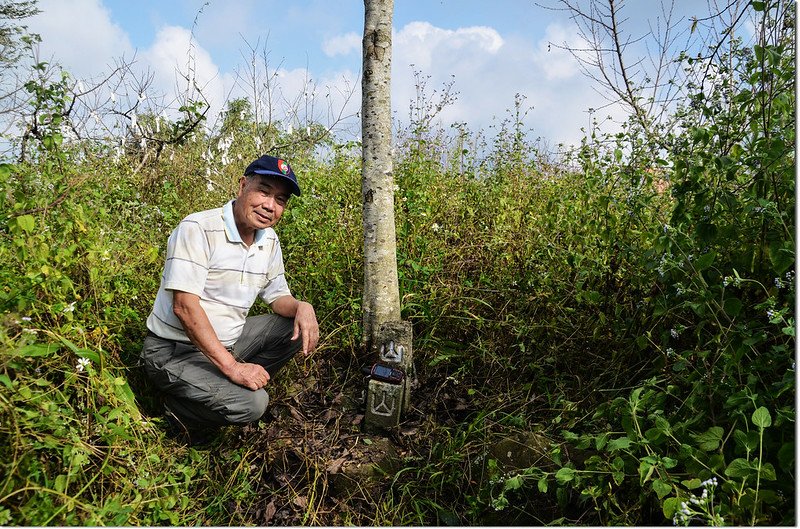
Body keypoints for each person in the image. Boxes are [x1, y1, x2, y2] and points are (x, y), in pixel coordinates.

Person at [140, 154, 319, 445]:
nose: (269, 206)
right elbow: (184, 308)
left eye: (281, 200)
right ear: (242, 186)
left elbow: (278, 298)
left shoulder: (268, 240)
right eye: (263, 191)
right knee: (253, 405)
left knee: (293, 328)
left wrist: (303, 307)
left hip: (229, 342)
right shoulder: (198, 228)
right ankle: (175, 412)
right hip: (173, 350)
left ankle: (221, 386)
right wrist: (233, 368)